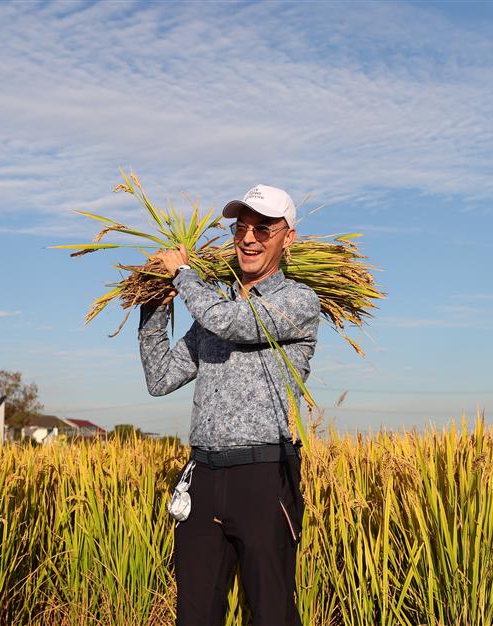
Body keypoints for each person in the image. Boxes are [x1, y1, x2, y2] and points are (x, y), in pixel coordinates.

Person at [138, 184, 320, 626]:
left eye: (263, 228)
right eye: (241, 228)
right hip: (202, 479)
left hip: (263, 478)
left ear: (288, 238)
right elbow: (160, 378)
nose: (249, 237)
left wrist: (183, 276)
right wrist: (154, 306)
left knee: (272, 613)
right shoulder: (213, 308)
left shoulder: (298, 301)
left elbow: (231, 323)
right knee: (195, 615)